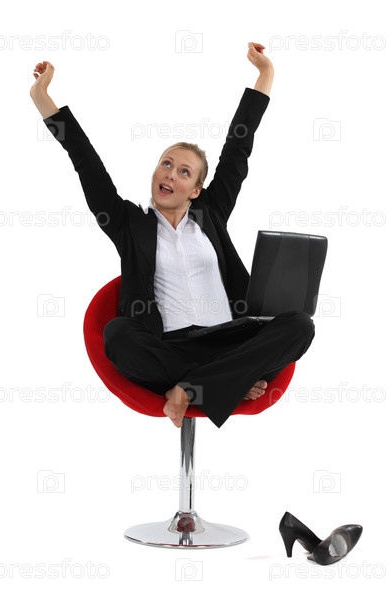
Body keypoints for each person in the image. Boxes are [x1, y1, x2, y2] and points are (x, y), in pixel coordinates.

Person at [30, 42, 315, 429]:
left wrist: (265, 76)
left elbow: (238, 149)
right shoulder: (127, 223)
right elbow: (85, 161)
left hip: (232, 340)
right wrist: (42, 97)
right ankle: (223, 382)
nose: (170, 174)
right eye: (166, 163)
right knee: (117, 334)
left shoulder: (212, 213)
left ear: (196, 190)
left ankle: (193, 387)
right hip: (168, 348)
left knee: (299, 326)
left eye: (184, 171)